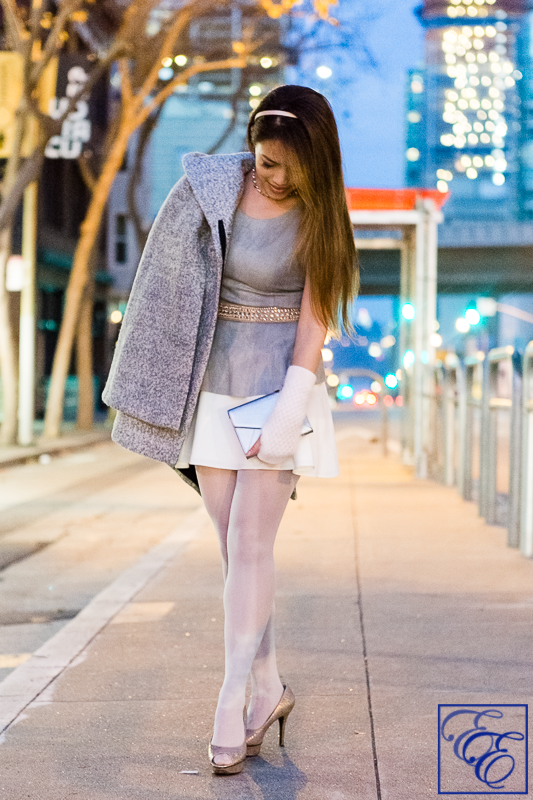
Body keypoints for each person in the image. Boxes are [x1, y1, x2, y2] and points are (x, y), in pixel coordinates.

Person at [103, 84, 359, 775]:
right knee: (232, 550)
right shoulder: (212, 191)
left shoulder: (324, 216)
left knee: (251, 546)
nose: (269, 177)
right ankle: (269, 683)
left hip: (277, 392)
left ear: (314, 160)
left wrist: (290, 407)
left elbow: (315, 321)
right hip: (211, 391)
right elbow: (170, 279)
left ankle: (231, 696)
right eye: (261, 161)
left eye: (283, 167)